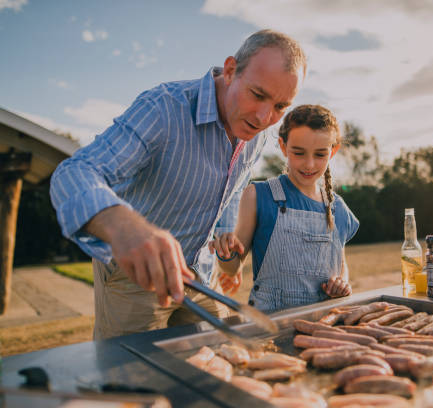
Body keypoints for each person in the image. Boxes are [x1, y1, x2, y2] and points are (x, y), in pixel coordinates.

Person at [50, 29, 307, 339]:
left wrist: (225, 234)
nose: (265, 116)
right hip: (136, 279)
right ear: (230, 71)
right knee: (134, 382)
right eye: (258, 94)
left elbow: (233, 187)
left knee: (223, 362)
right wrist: (123, 226)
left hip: (202, 275)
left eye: (281, 106)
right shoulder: (163, 108)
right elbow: (75, 172)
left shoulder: (258, 133)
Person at [208, 104, 359, 313]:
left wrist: (342, 283)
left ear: (333, 151)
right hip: (271, 322)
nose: (309, 164)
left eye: (320, 155)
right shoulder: (257, 195)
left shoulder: (338, 208)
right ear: (283, 146)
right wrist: (225, 253)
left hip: (325, 323)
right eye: (298, 153)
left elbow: (341, 265)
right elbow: (232, 268)